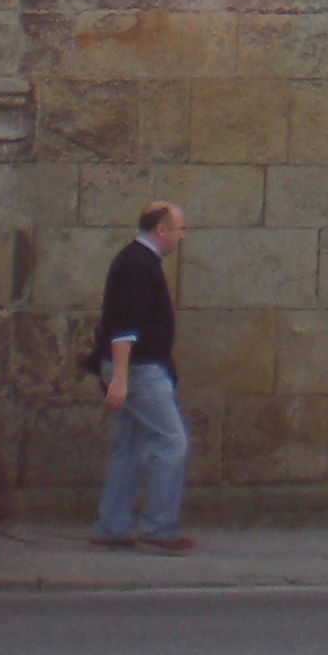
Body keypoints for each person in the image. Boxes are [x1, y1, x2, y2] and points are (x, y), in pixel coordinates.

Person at [91, 200, 193, 552]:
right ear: (161, 230)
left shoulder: (137, 261)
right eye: (179, 229)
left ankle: (112, 527)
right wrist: (119, 378)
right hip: (140, 370)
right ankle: (159, 527)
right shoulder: (138, 265)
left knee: (131, 448)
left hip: (137, 367)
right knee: (172, 442)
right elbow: (124, 326)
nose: (182, 237)